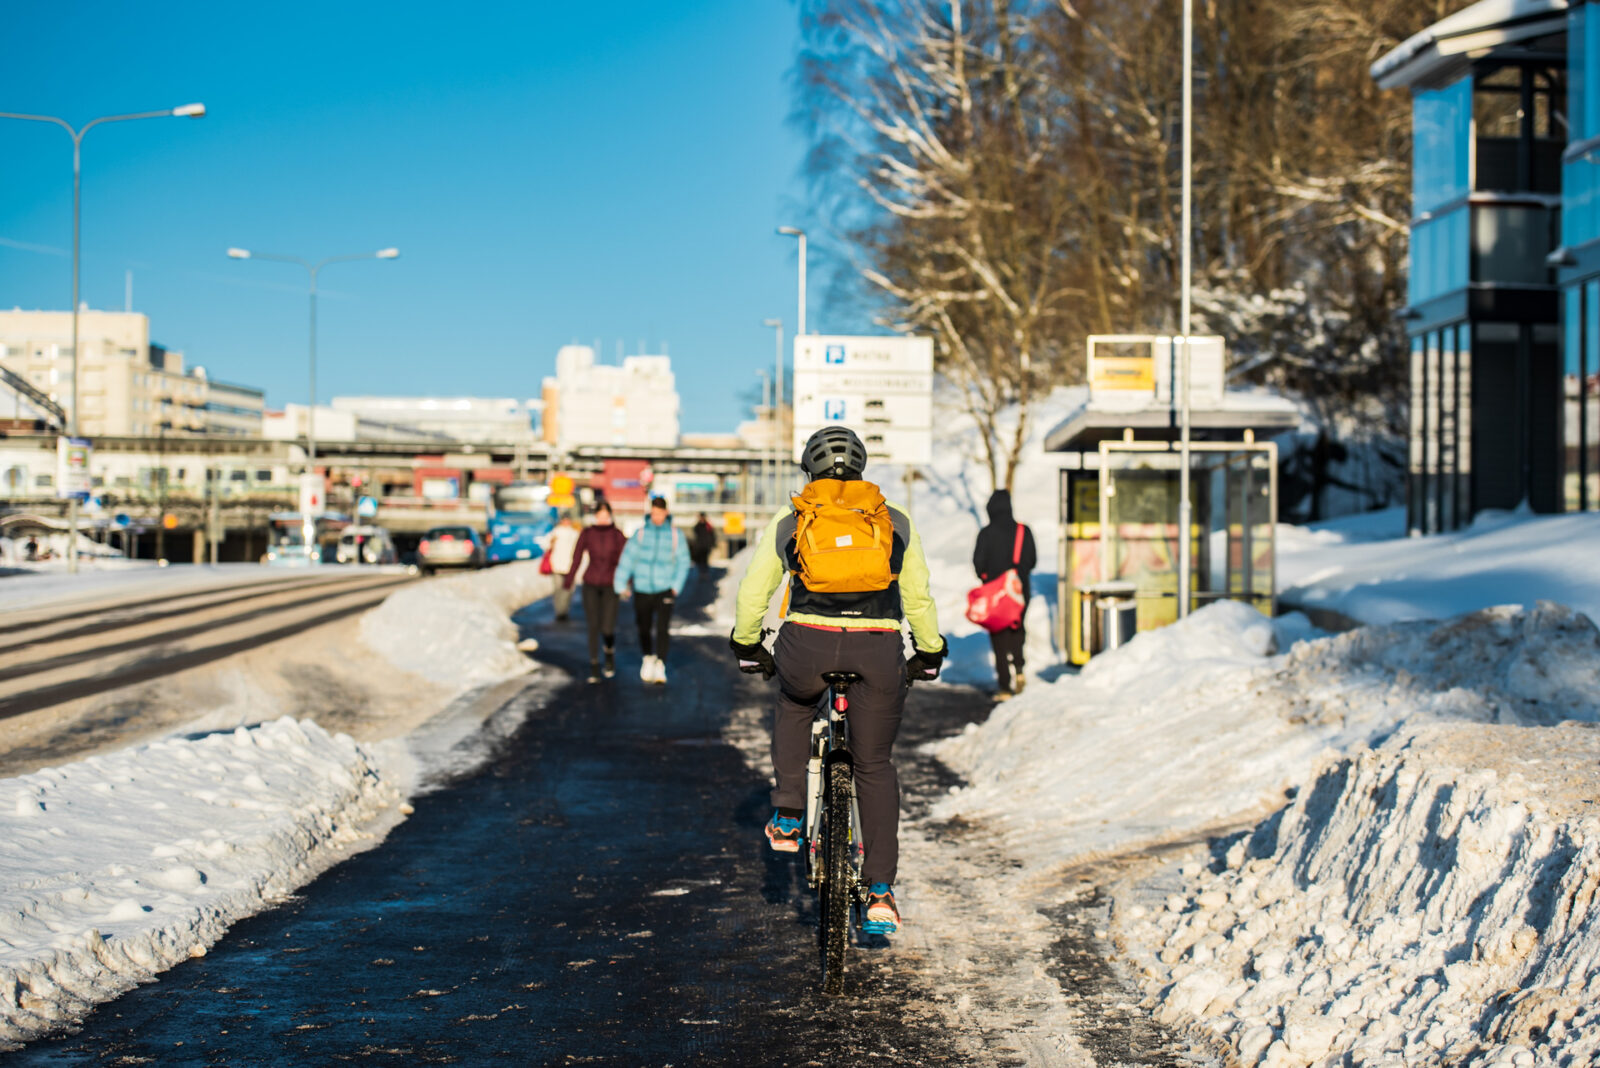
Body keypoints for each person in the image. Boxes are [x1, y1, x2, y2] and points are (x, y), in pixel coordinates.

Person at [728, 425, 946, 937]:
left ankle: (786, 813)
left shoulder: (793, 518)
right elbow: (917, 598)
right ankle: (880, 893)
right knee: (873, 764)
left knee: (795, 701)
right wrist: (930, 651)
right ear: (863, 467)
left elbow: (754, 590)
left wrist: (746, 643)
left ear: (810, 468)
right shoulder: (895, 521)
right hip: (878, 647)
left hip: (809, 643)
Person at [614, 495, 691, 685]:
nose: (657, 516)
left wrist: (675, 586)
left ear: (666, 512)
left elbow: (683, 561)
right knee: (643, 626)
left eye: (660, 513)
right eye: (654, 513)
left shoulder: (675, 535)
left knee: (663, 628)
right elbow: (627, 559)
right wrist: (621, 583)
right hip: (642, 587)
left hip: (665, 589)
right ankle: (648, 658)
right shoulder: (640, 534)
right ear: (651, 513)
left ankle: (661, 664)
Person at [973, 489, 1037, 700]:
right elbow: (1032, 560)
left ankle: (1004, 686)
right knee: (1017, 628)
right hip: (1020, 593)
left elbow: (978, 563)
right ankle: (1019, 669)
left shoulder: (986, 533)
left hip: (995, 596)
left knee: (999, 638)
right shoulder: (1023, 531)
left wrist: (988, 577)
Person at [566, 502, 627, 683]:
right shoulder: (587, 533)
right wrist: (569, 579)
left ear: (610, 516)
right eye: (599, 515)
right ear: (595, 516)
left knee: (607, 627)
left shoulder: (617, 535)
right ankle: (594, 665)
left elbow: (627, 560)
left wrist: (628, 581)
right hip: (591, 584)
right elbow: (576, 556)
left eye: (605, 515)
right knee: (593, 625)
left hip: (611, 585)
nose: (602, 519)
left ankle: (609, 652)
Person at [546, 515, 582, 622]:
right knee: (559, 589)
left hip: (569, 566)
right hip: (557, 565)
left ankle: (564, 610)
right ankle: (560, 611)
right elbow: (546, 545)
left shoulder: (574, 533)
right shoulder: (555, 533)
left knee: (567, 589)